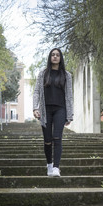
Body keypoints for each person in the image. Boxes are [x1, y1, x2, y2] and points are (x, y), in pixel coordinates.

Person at [33, 48, 74, 177]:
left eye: (57, 55)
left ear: (60, 58)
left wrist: (70, 114)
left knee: (57, 138)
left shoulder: (67, 75)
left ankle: (56, 167)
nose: (55, 57)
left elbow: (69, 95)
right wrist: (35, 108)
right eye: (53, 55)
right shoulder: (42, 74)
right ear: (50, 57)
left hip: (60, 109)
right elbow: (37, 92)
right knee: (47, 140)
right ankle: (49, 165)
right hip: (46, 110)